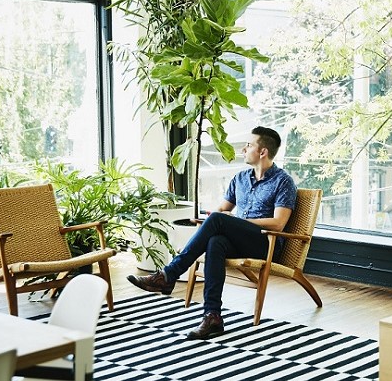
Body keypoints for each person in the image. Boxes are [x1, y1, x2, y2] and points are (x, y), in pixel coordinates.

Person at [127, 126, 297, 340]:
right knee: (215, 241)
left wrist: (234, 221)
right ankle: (212, 316)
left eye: (249, 145)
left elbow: (279, 223)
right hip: (238, 241)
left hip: (265, 244)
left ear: (262, 152)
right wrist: (215, 220)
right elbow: (222, 210)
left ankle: (168, 274)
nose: (244, 149)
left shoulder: (283, 182)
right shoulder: (241, 178)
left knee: (217, 221)